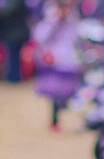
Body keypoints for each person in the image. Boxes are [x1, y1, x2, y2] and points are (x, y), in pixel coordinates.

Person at [31, 0, 81, 130]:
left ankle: (63, 111)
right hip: (54, 61)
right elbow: (40, 37)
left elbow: (76, 38)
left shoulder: (73, 20)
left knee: (68, 91)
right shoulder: (49, 20)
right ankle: (55, 120)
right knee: (55, 94)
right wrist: (55, 23)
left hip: (69, 61)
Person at [0, 0, 30, 83]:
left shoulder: (15, 2)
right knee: (12, 56)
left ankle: (14, 78)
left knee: (14, 56)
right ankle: (12, 77)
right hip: (13, 34)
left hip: (15, 35)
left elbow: (8, 12)